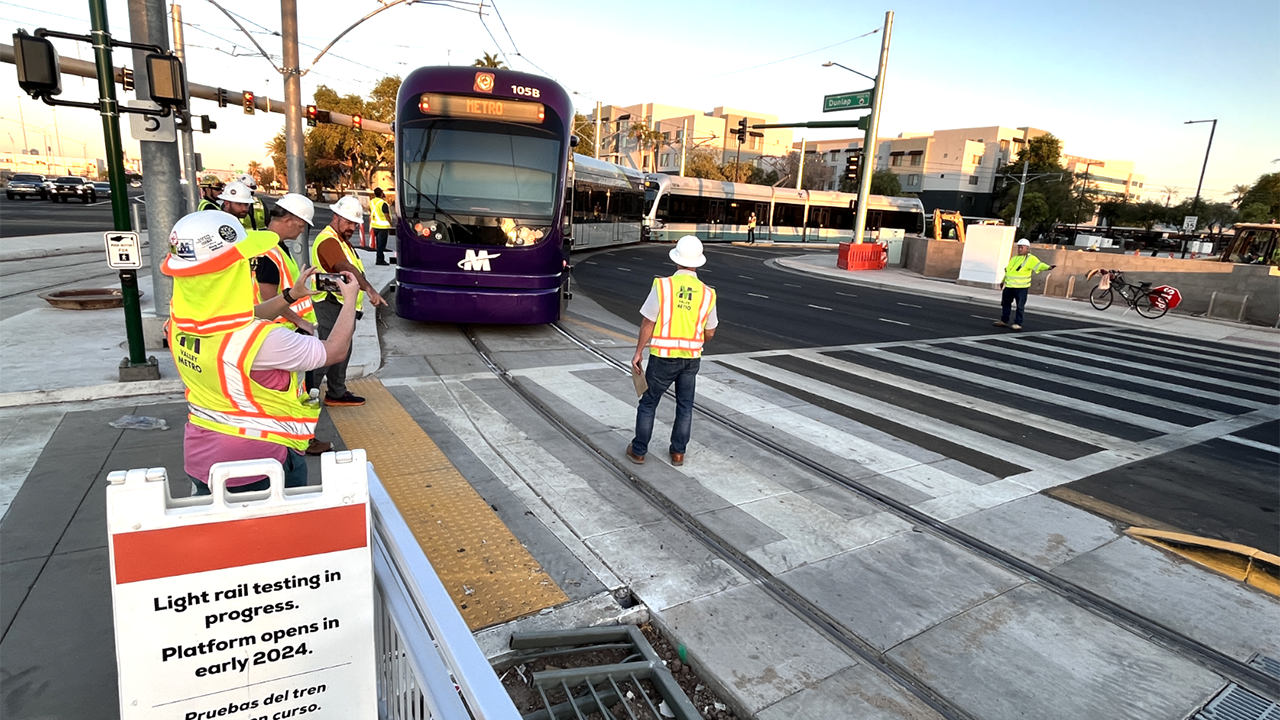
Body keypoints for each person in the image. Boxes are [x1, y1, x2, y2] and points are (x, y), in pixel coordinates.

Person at [162, 211, 362, 496]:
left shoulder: (178, 323)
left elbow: (246, 315)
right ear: (230, 271)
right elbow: (335, 351)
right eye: (249, 262)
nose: (252, 269)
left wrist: (291, 295)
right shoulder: (262, 341)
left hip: (200, 456)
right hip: (258, 463)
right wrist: (350, 299)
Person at [250, 194, 334, 456]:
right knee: (293, 392)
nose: (301, 231)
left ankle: (296, 438)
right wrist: (301, 322)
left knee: (292, 390)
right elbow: (268, 297)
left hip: (280, 330)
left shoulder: (270, 246)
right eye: (301, 225)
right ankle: (300, 441)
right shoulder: (268, 252)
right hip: (282, 331)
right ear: (288, 220)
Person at [626, 235, 718, 467]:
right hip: (691, 359)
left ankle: (639, 451)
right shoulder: (708, 293)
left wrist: (638, 352)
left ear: (676, 259)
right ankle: (678, 452)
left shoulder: (663, 286)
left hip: (663, 357)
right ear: (698, 262)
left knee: (648, 403)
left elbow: (648, 322)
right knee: (685, 406)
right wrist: (696, 339)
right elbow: (710, 331)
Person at [310, 195, 387, 407]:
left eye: (355, 223)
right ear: (335, 216)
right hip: (330, 304)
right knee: (328, 352)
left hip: (341, 305)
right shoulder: (328, 241)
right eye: (348, 222)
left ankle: (336, 392)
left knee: (341, 351)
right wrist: (369, 289)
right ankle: (306, 392)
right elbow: (345, 267)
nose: (352, 227)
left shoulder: (341, 240)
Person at [994, 239, 1054, 331]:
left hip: (1021, 288)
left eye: (1021, 247)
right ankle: (1004, 320)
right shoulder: (1014, 258)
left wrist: (1048, 267)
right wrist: (1003, 281)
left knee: (1020, 306)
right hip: (1009, 286)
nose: (1019, 249)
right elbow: (1009, 272)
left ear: (1027, 248)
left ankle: (1018, 323)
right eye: (1019, 247)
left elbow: (1039, 265)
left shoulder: (1030, 259)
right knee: (1005, 303)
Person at [369, 187, 393, 265]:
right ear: (382, 194)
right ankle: (380, 260)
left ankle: (379, 259)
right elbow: (386, 215)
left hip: (375, 225)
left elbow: (370, 210)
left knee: (379, 244)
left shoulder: (372, 202)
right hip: (382, 227)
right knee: (381, 245)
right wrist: (390, 223)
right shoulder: (383, 203)